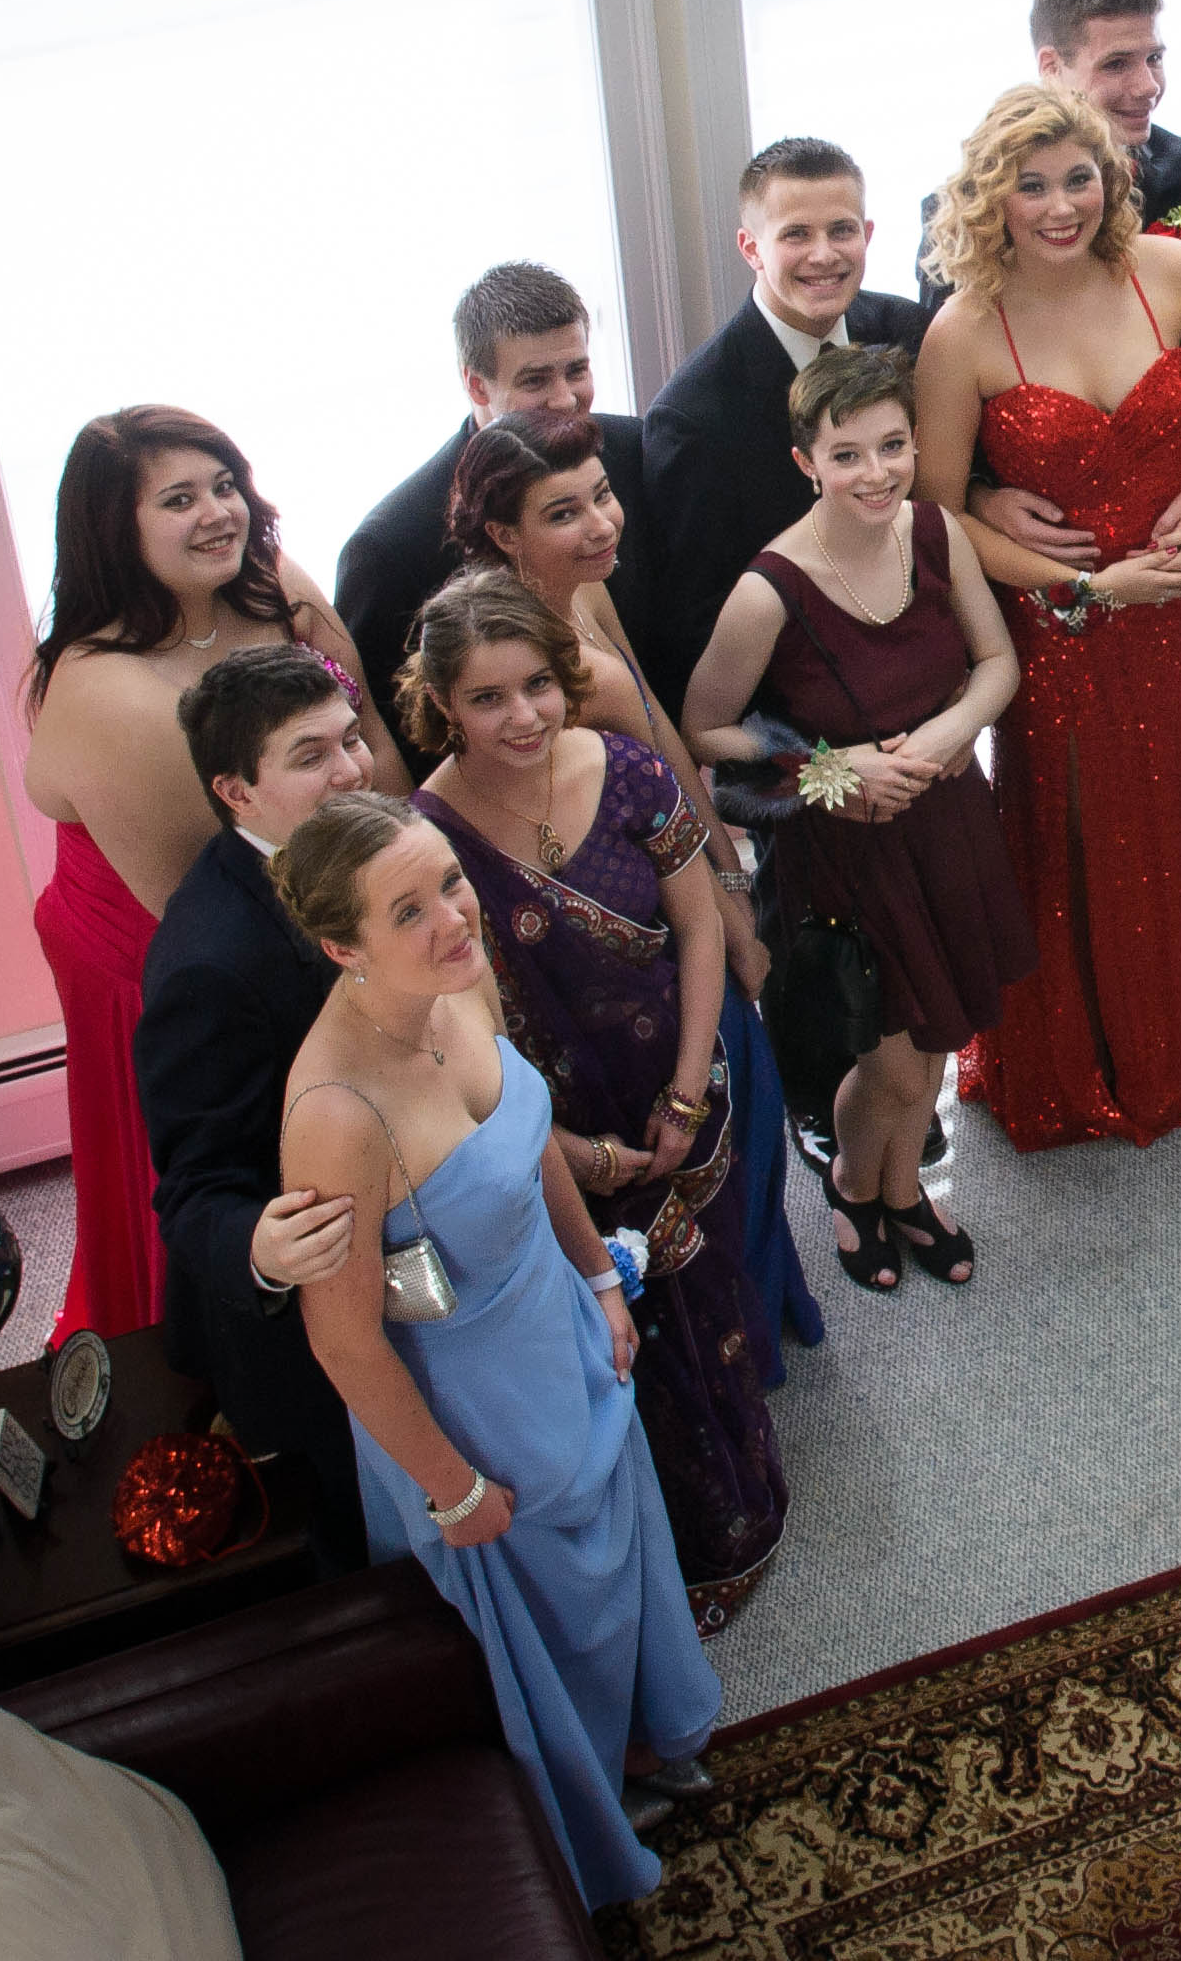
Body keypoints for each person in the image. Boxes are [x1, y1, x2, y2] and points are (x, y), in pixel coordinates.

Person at [272, 791, 722, 1909]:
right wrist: (454, 1488)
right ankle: (586, 1812)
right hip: (467, 1404)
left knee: (616, 1557)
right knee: (543, 1613)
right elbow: (342, 1339)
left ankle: (642, 1734)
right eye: (407, 910)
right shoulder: (335, 1113)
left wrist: (596, 1276)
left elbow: (530, 1146)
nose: (452, 917)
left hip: (556, 1325)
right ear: (342, 948)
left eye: (450, 882)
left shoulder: (459, 982)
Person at [402, 572, 789, 1630]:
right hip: (555, 1138)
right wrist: (566, 1150)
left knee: (711, 1300)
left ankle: (746, 1498)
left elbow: (698, 929)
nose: (523, 716)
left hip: (681, 1086)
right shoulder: (429, 838)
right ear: (443, 704)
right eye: (488, 698)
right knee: (618, 1337)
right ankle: (668, 1551)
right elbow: (458, 1035)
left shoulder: (626, 769)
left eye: (537, 684)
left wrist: (686, 1093)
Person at [917, 84, 1181, 1154]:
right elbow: (936, 512)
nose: (1061, 205)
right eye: (1030, 186)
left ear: (1112, 180)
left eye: (1079, 178)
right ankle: (1074, 1064)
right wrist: (1072, 586)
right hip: (1058, 623)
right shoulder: (964, 330)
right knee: (1071, 835)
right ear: (991, 198)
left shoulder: (1172, 272)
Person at [452, 408, 821, 1379]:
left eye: (603, 495)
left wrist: (732, 881)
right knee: (722, 1121)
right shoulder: (521, 660)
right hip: (620, 928)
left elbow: (656, 729)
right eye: (564, 511)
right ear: (503, 534)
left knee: (752, 1127)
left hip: (683, 872)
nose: (601, 523)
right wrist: (723, 919)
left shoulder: (584, 584)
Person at [24, 407, 401, 1347]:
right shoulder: (111, 694)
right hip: (159, 946)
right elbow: (221, 899)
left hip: (302, 887)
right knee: (219, 1138)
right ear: (115, 529)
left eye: (225, 486)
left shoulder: (276, 588)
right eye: (179, 499)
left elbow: (375, 751)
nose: (217, 513)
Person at [689, 345, 1032, 1291]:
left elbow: (997, 662)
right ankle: (852, 1182)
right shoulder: (768, 589)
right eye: (847, 455)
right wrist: (838, 769)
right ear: (807, 462)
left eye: (891, 447)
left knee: (938, 1039)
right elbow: (706, 730)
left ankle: (901, 1191)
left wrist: (950, 731)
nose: (875, 473)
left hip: (947, 824)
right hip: (847, 853)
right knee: (891, 1063)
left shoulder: (938, 532)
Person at [136, 646, 383, 1569]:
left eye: (351, 739)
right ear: (236, 791)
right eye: (312, 755)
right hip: (311, 1312)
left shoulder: (361, 844)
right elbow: (194, 1189)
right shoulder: (210, 965)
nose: (352, 769)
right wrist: (262, 1248)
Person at [935, 0, 1181, 589]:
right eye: (1117, 63)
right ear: (1051, 67)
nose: (1147, 85)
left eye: (1155, 57)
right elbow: (942, 424)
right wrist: (983, 499)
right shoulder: (962, 226)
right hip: (1043, 572)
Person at [638, 137, 932, 711]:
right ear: (751, 248)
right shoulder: (693, 417)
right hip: (802, 713)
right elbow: (697, 626)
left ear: (868, 235)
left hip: (928, 670)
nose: (824, 255)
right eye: (796, 234)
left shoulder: (908, 330)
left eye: (841, 230)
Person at [335, 263, 651, 772]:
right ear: (477, 386)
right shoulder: (391, 546)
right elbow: (401, 741)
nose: (565, 398)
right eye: (535, 380)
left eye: (576, 370)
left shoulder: (633, 449)